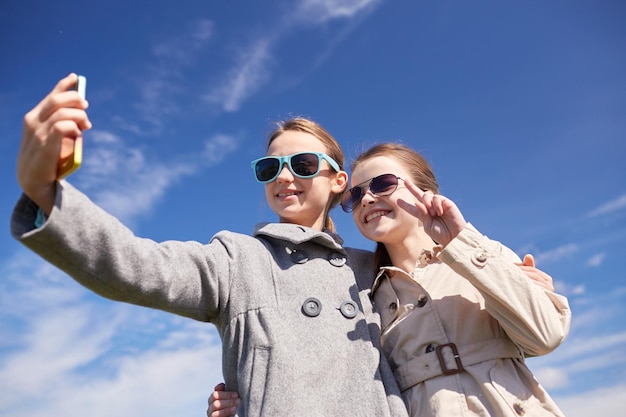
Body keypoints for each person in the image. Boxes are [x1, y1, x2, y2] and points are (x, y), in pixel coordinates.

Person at [11, 74, 409, 416]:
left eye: (303, 165)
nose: (284, 177)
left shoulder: (372, 267)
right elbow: (138, 266)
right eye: (270, 168)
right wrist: (46, 191)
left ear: (338, 181)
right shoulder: (237, 259)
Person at [208, 143, 570, 417]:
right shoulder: (364, 295)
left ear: (425, 190)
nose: (368, 198)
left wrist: (463, 244)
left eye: (382, 184)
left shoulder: (480, 257)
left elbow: (546, 335)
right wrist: (244, 397)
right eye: (357, 194)